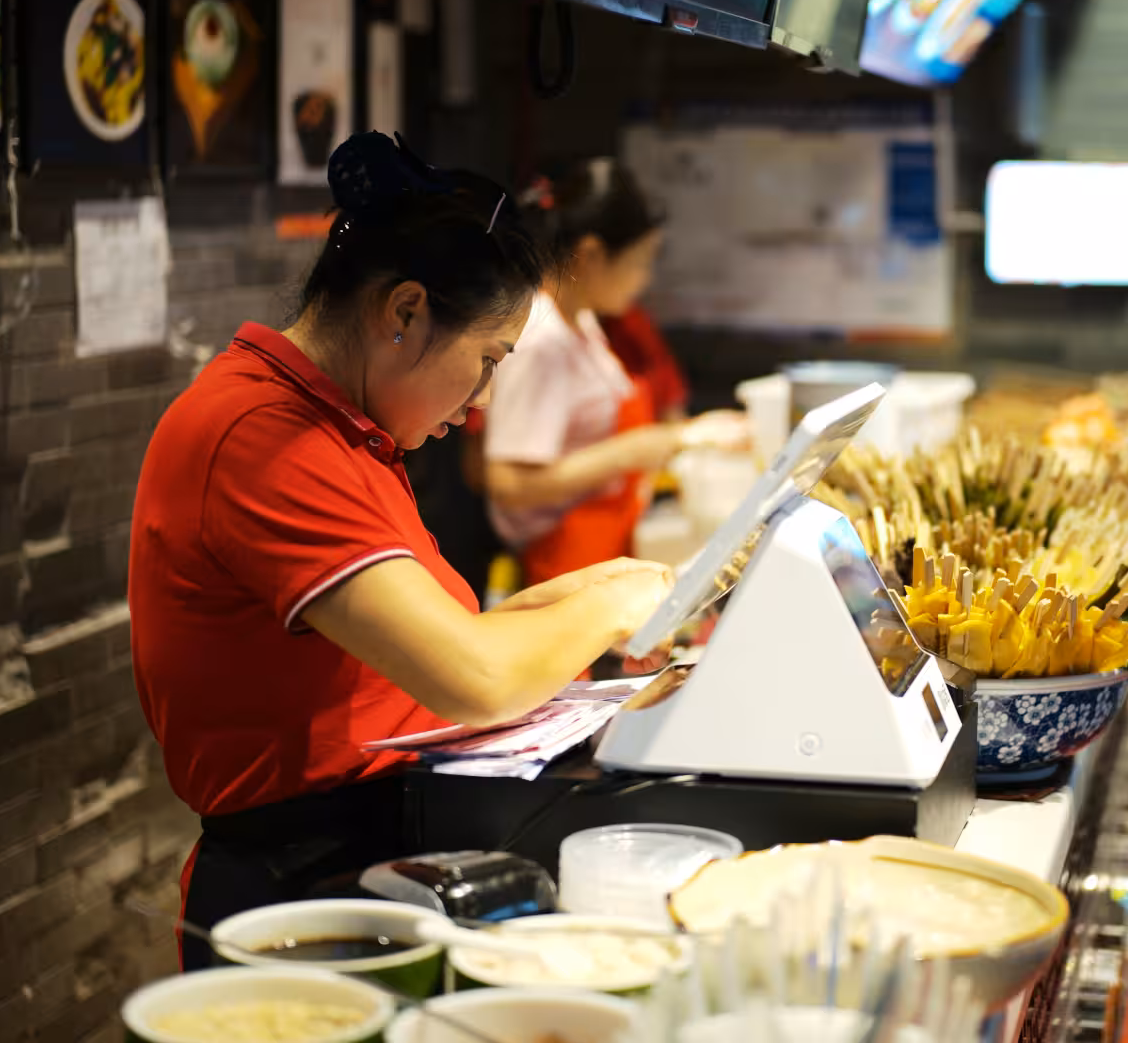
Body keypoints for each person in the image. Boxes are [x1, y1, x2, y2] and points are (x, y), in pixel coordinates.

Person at [129, 133, 675, 969]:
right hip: (303, 885)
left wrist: (602, 588)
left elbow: (445, 634)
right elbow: (474, 675)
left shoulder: (341, 425)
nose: (484, 397)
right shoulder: (264, 438)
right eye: (487, 359)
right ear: (405, 311)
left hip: (377, 841)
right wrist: (608, 606)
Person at [483, 158, 750, 586]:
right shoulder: (540, 339)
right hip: (556, 561)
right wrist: (636, 450)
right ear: (591, 254)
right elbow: (508, 483)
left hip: (604, 544)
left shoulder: (583, 321)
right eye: (640, 262)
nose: (644, 279)